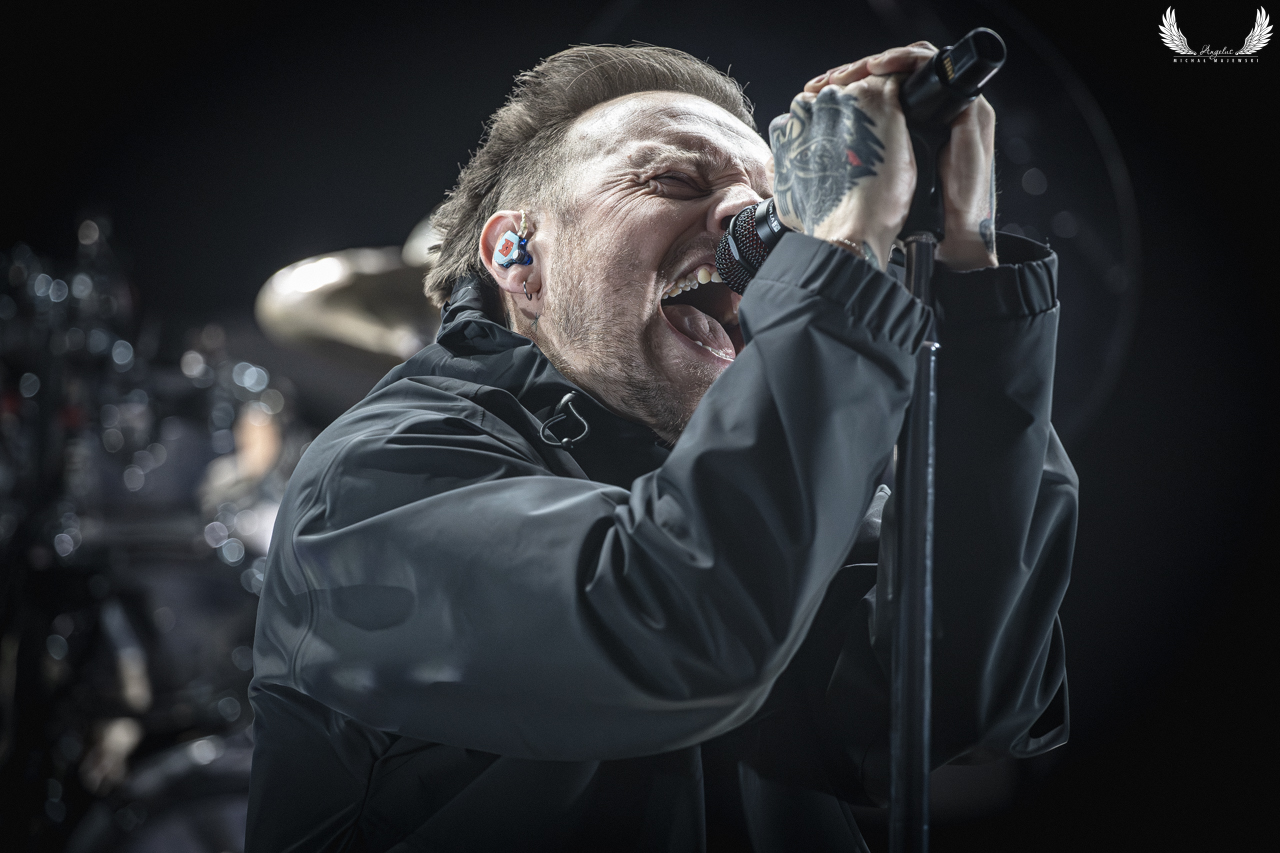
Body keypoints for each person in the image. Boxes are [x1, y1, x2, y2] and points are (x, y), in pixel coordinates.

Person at [246, 42, 1075, 852]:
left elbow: (962, 702)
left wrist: (966, 263)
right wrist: (840, 251)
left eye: (775, 208)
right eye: (674, 180)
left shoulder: (752, 491)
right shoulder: (376, 478)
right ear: (517, 256)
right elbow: (676, 626)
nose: (752, 224)